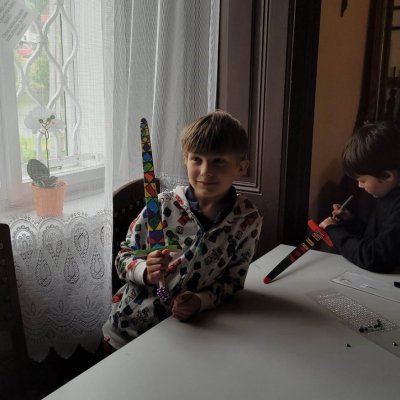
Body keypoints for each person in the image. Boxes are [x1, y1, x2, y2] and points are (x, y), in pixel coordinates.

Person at [102, 110, 263, 353]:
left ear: (241, 168)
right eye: (196, 159)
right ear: (185, 160)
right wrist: (144, 270)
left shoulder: (247, 220)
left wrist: (200, 301)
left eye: (219, 161)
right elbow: (123, 258)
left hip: (188, 337)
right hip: (126, 332)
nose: (205, 170)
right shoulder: (160, 206)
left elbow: (233, 282)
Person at [319, 121, 400, 272]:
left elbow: (375, 258)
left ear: (387, 176)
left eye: (362, 180)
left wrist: (334, 231)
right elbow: (377, 238)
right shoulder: (386, 193)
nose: (360, 186)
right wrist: (351, 222)